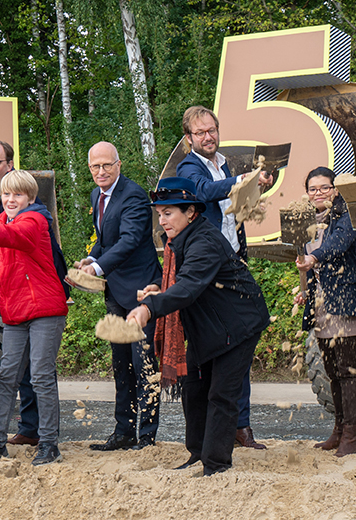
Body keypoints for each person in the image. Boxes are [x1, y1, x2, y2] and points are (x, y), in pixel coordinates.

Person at [127, 177, 270, 476]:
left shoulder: (203, 240)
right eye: (160, 213)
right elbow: (181, 283)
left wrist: (148, 308)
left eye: (169, 213)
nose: (162, 220)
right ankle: (197, 453)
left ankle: (216, 465)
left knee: (221, 394)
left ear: (190, 212)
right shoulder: (180, 240)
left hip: (238, 325)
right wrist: (157, 290)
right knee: (193, 388)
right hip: (208, 326)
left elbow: (189, 286)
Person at [175, 105, 273, 450]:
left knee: (240, 341)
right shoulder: (190, 166)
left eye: (212, 130)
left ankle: (238, 425)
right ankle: (229, 428)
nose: (208, 136)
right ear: (189, 139)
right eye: (200, 132)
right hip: (208, 269)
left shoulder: (222, 163)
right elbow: (202, 192)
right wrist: (241, 180)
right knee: (224, 345)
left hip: (231, 262)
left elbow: (231, 210)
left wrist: (255, 189)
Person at [0, 170, 69, 466]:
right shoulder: (2, 221)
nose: (11, 199)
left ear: (31, 198)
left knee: (40, 376)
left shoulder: (35, 221)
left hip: (45, 309)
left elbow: (17, 239)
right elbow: (7, 264)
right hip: (14, 310)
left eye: (18, 195)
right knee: (8, 376)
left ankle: (49, 443)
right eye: (7, 194)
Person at [77, 142, 163, 451]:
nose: (100, 172)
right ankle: (123, 432)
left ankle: (147, 436)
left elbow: (128, 241)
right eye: (95, 167)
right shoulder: (96, 195)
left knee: (144, 367)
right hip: (115, 292)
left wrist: (97, 268)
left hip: (141, 291)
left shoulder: (135, 196)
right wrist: (90, 259)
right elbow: (105, 240)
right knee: (121, 366)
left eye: (106, 166)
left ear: (119, 164)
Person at [294, 167, 356, 458]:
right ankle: (339, 430)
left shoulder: (348, 215)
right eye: (313, 189)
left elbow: (338, 244)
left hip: (349, 300)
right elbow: (302, 261)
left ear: (336, 189)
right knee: (331, 371)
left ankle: (351, 436)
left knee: (348, 369)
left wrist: (314, 257)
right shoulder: (306, 222)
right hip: (322, 305)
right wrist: (303, 289)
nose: (319, 193)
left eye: (325, 188)